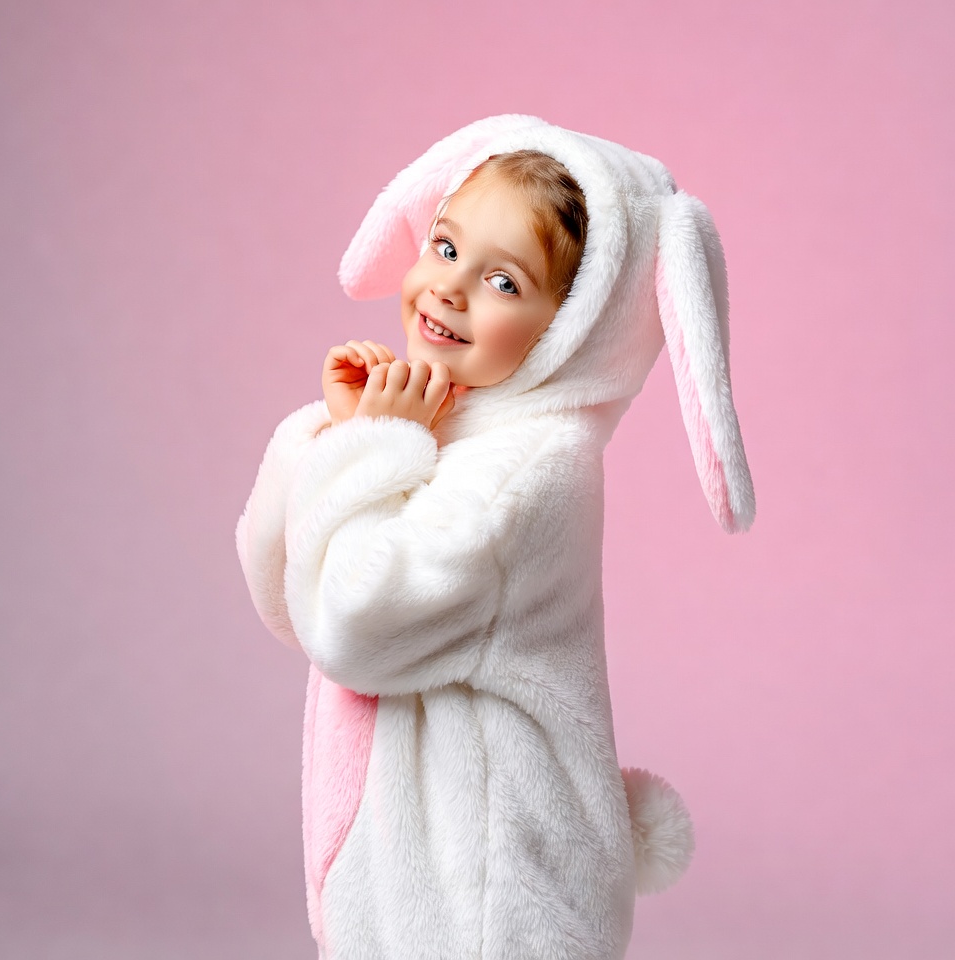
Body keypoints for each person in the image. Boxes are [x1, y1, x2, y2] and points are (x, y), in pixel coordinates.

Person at [236, 115, 755, 960]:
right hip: (416, 878)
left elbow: (347, 627)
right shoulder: (447, 425)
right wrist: (336, 437)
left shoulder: (527, 473)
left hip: (491, 901)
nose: (448, 288)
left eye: (504, 282)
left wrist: (373, 449)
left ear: (575, 327)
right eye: (445, 247)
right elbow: (287, 599)